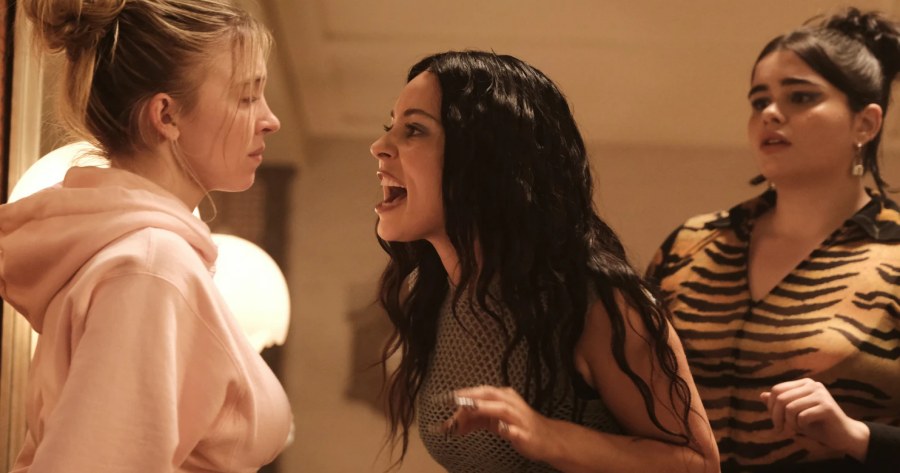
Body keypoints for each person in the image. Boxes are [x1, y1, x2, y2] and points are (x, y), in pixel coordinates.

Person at [370, 50, 719, 472]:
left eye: (414, 129)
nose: (379, 147)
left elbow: (699, 464)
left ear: (487, 159)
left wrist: (550, 437)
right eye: (390, 127)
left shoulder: (597, 304)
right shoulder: (439, 299)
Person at [0, 1, 290, 471]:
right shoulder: (151, 268)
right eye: (246, 97)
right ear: (166, 116)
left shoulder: (145, 257)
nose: (270, 119)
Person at [647, 8, 900, 473]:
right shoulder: (691, 244)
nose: (770, 113)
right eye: (758, 100)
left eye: (801, 97)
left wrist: (858, 436)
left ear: (865, 123)